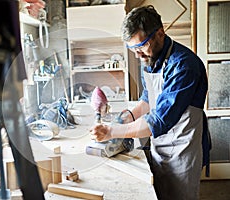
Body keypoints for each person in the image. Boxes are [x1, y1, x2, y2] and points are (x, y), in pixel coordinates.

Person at [90, 5, 211, 200]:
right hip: (160, 145)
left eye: (141, 46)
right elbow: (149, 98)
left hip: (182, 149)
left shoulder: (184, 65)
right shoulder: (151, 57)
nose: (138, 54)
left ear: (160, 33)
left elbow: (158, 121)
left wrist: (112, 131)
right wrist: (128, 116)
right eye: (133, 49)